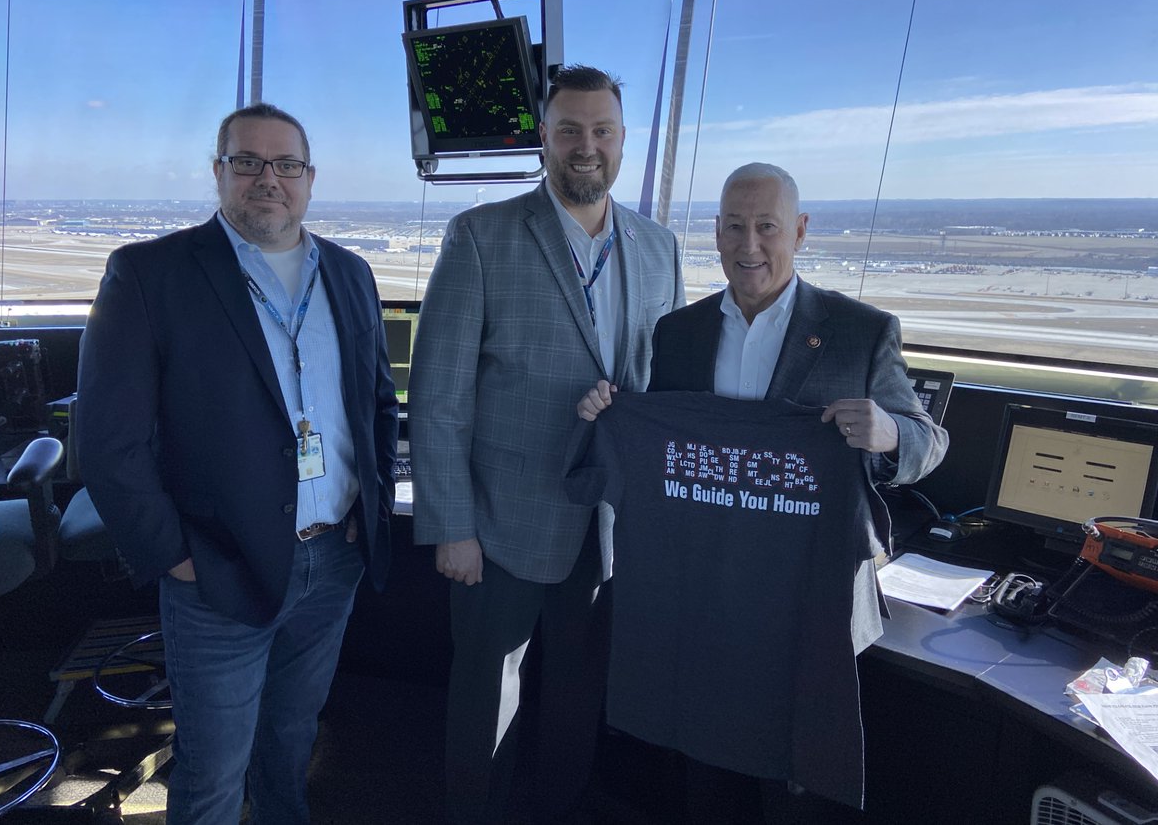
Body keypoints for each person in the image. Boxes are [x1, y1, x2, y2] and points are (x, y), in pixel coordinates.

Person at [576, 161, 948, 821]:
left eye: (767, 227)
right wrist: (610, 411)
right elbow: (667, 448)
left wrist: (890, 432)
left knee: (799, 787)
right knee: (707, 775)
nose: (750, 247)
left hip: (809, 602)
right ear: (716, 234)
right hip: (707, 601)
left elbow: (929, 441)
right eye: (735, 228)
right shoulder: (677, 334)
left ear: (799, 231)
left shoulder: (860, 330)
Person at [76, 103, 398, 825]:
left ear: (309, 179)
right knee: (214, 771)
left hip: (330, 561)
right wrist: (174, 556)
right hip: (217, 569)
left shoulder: (349, 274)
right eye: (247, 162)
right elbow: (107, 441)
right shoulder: (150, 274)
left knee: (291, 740)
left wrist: (362, 513)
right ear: (218, 172)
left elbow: (376, 401)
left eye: (285, 164)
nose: (267, 179)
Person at [409, 64, 685, 823]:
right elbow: (437, 399)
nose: (585, 146)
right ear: (544, 137)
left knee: (577, 700)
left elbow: (669, 385)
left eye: (601, 131)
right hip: (501, 524)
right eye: (569, 130)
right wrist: (451, 526)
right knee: (485, 702)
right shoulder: (481, 236)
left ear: (624, 140)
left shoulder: (658, 247)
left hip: (605, 527)